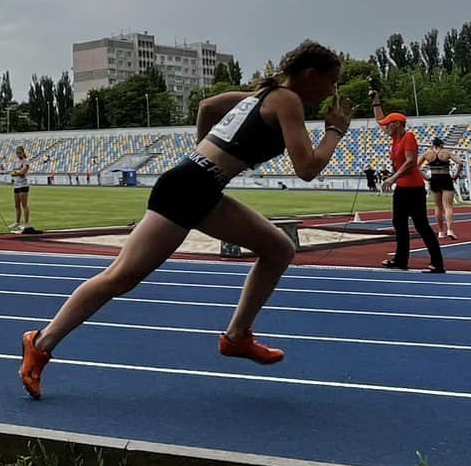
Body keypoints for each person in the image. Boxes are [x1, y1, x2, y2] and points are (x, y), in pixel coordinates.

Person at [19, 41, 352, 398]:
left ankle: (237, 337)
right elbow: (306, 168)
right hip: (188, 188)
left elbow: (207, 106)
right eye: (331, 82)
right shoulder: (288, 100)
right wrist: (334, 131)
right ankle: (41, 341)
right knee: (122, 276)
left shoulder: (260, 95)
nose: (331, 92)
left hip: (200, 184)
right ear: (309, 74)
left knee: (278, 249)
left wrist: (203, 155)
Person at [374, 89, 445, 273]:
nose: (385, 128)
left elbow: (411, 162)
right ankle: (400, 260)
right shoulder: (395, 138)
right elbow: (379, 121)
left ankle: (437, 263)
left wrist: (393, 177)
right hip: (402, 189)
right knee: (399, 224)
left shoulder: (408, 137)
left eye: (388, 125)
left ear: (397, 124)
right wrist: (376, 101)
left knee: (421, 226)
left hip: (413, 189)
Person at [421, 132, 462, 240]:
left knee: (438, 207)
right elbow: (460, 163)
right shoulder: (446, 152)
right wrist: (456, 175)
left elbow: (415, 166)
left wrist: (424, 176)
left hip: (434, 179)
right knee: (448, 206)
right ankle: (449, 229)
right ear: (442, 145)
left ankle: (440, 231)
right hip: (446, 178)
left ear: (432, 145)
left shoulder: (427, 154)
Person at [12, 144, 33, 232]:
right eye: (17, 153)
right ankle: (17, 221)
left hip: (23, 185)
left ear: (23, 152)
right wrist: (17, 172)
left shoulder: (26, 162)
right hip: (16, 185)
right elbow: (13, 172)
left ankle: (26, 222)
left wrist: (17, 172)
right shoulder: (16, 162)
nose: (18, 155)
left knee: (24, 205)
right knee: (17, 205)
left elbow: (23, 172)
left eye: (19, 153)